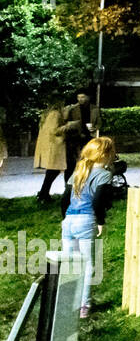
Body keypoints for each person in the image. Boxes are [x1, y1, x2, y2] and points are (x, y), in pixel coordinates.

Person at [62, 136, 117, 318]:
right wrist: (101, 221)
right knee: (87, 265)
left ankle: (66, 301)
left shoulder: (79, 170)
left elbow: (65, 198)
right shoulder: (105, 174)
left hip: (69, 220)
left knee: (70, 262)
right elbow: (98, 201)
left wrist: (66, 218)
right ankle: (84, 305)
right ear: (105, 154)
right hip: (86, 221)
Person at [34, 99, 70, 205]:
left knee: (52, 171)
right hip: (55, 146)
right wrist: (67, 126)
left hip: (48, 145)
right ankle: (43, 194)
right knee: (53, 170)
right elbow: (54, 130)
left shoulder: (46, 114)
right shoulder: (55, 114)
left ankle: (43, 194)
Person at [63, 89, 100, 180]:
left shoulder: (95, 109)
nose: (80, 99)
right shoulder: (73, 109)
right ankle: (68, 184)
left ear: (88, 97)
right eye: (78, 97)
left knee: (88, 161)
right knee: (71, 164)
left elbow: (99, 123)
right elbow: (66, 122)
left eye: (82, 97)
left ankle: (85, 181)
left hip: (89, 138)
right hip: (74, 139)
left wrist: (94, 128)